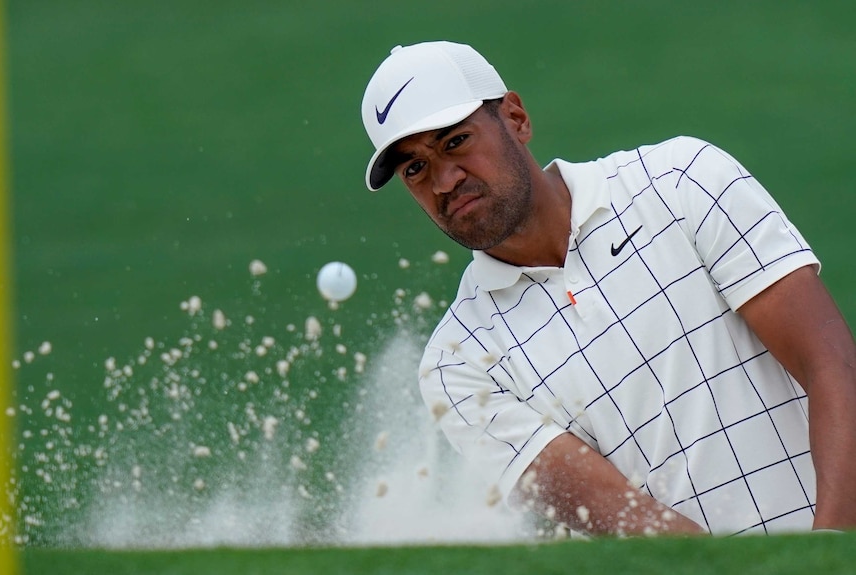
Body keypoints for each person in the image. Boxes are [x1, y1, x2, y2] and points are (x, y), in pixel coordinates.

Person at [359, 41, 856, 537]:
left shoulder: (681, 181)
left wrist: (830, 555)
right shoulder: (457, 365)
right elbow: (629, 521)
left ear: (516, 118)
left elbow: (832, 364)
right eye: (415, 169)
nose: (444, 181)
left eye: (455, 142)